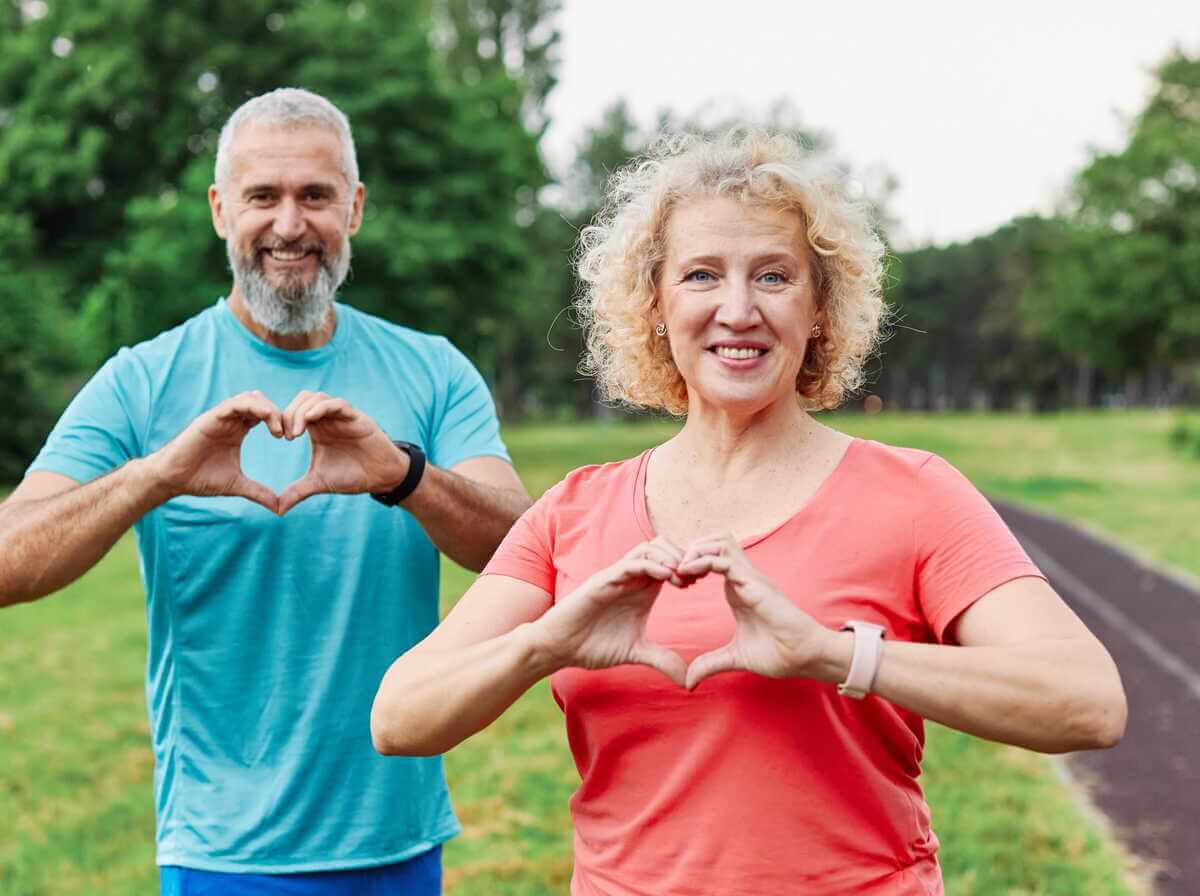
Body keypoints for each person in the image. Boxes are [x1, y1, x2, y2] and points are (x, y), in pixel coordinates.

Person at [368, 131, 1128, 895]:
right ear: (655, 305)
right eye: (701, 275)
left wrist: (833, 656)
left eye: (773, 276)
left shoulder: (917, 494)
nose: (738, 311)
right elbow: (399, 719)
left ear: (820, 307)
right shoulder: (574, 510)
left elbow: (1086, 703)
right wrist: (544, 644)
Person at [0, 88, 531, 894]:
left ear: (354, 208)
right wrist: (157, 475)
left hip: (396, 839)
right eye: (262, 197)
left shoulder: (433, 370)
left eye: (315, 195)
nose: (289, 224)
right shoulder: (143, 381)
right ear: (221, 211)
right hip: (222, 853)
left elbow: (526, 548)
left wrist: (404, 475)